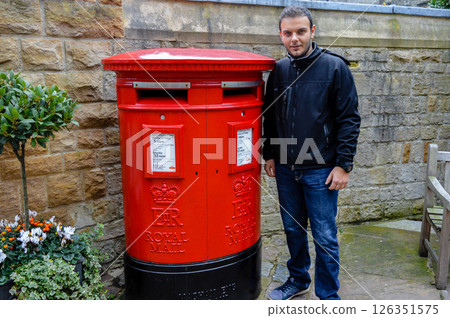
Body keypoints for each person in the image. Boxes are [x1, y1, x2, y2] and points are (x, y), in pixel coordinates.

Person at [262, 6, 361, 300]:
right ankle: (298, 280)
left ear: (312, 31)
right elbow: (270, 116)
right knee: (293, 231)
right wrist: (269, 153)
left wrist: (344, 165)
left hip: (321, 168)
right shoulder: (277, 71)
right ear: (280, 34)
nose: (295, 38)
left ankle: (328, 295)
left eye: (301, 31)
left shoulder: (334, 67)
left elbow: (349, 119)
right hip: (285, 167)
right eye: (288, 32)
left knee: (325, 237)